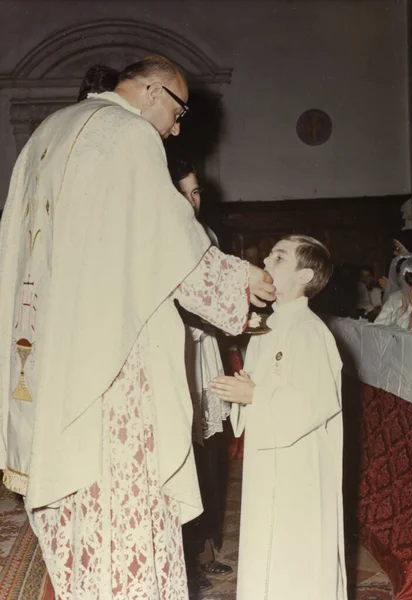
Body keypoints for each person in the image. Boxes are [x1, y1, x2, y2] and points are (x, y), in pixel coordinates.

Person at [0, 55, 275, 599]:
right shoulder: (128, 135)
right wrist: (242, 283)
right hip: (111, 360)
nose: (176, 128)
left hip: (53, 353)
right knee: (122, 507)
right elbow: (169, 244)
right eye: (178, 113)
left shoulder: (48, 133)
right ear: (153, 91)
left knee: (77, 507)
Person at [211, 235, 347, 600]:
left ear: (304, 276)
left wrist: (254, 394)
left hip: (298, 467)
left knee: (295, 559)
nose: (266, 260)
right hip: (268, 460)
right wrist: (245, 389)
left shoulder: (310, 331)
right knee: (267, 552)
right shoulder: (267, 328)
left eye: (279, 257)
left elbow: (316, 402)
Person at [170, 160, 232, 591]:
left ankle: (205, 548)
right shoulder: (160, 236)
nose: (192, 201)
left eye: (196, 193)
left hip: (203, 353)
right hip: (174, 353)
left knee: (209, 452)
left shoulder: (207, 238)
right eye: (183, 193)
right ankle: (180, 555)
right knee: (177, 454)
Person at [379, 229, 412, 300]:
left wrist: (391, 288)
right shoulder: (399, 267)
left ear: (410, 248)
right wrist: (390, 287)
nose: (395, 253)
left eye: (398, 248)